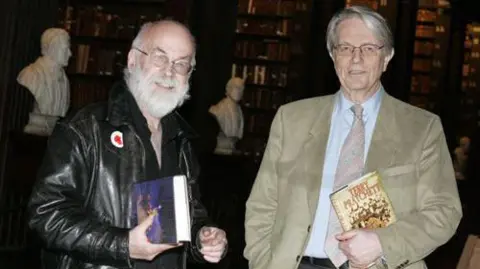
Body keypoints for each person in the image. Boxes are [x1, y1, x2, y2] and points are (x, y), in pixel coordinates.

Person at [244, 6, 461, 269]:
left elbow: (444, 211)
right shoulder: (291, 119)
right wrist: (261, 262)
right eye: (345, 48)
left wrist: (383, 243)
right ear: (332, 55)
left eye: (369, 48)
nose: (356, 59)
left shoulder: (421, 128)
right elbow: (262, 205)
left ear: (387, 56)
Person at [27, 20, 227, 269]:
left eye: (181, 64)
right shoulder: (86, 129)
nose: (169, 72)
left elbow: (188, 213)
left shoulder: (180, 140)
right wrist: (123, 245)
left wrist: (202, 236)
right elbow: (45, 214)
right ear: (133, 60)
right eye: (160, 58)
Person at [17, 27, 71, 135]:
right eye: (66, 49)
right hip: (31, 138)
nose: (70, 53)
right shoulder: (30, 75)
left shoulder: (65, 80)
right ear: (52, 48)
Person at [209, 77, 245, 154]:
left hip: (231, 150)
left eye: (242, 89)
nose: (240, 91)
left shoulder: (239, 110)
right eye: (237, 88)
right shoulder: (218, 109)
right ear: (228, 89)